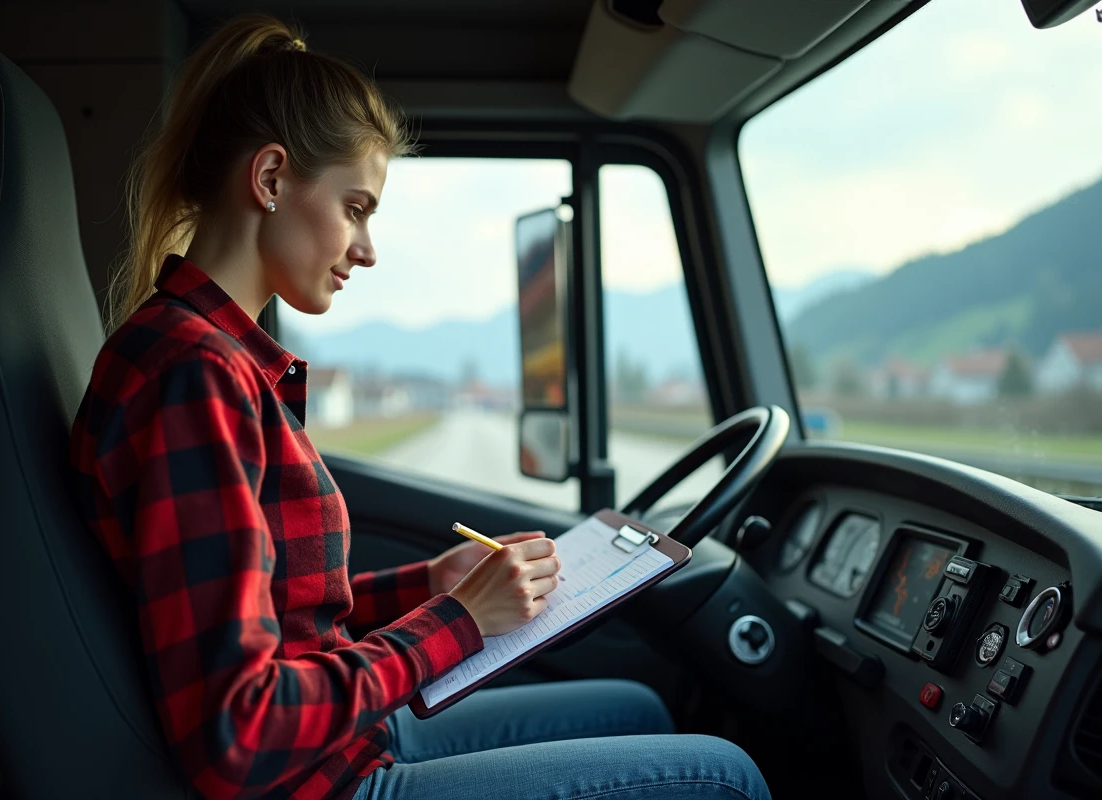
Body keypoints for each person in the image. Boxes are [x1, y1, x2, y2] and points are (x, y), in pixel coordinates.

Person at [69, 12, 771, 800]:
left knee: (638, 707)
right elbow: (239, 731)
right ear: (270, 181)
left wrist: (433, 587)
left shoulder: (211, 361)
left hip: (340, 743)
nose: (367, 249)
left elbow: (279, 622)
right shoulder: (197, 378)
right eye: (357, 207)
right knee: (724, 777)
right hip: (320, 781)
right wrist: (463, 621)